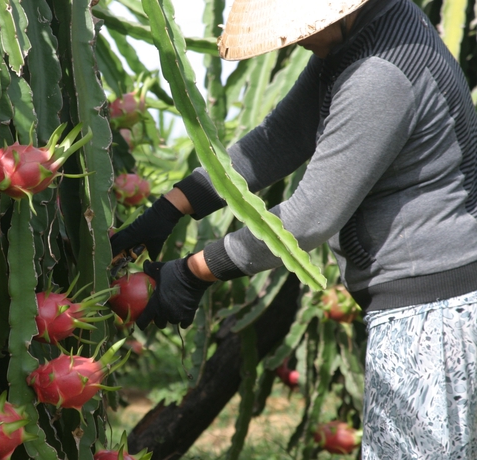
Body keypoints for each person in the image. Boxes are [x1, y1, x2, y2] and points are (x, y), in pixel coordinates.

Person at [110, 0, 477, 457]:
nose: (298, 39)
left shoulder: (378, 73)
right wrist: (170, 207)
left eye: (303, 29)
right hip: (424, 302)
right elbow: (277, 140)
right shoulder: (363, 33)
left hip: (431, 313)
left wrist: (194, 271)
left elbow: (306, 221)